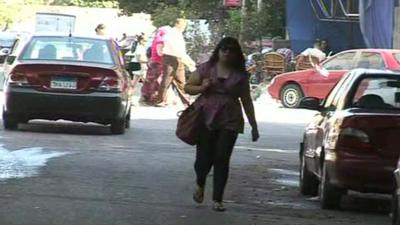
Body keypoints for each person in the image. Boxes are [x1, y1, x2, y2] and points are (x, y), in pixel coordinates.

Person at [184, 37, 260, 212]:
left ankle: (218, 199)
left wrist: (253, 125)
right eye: (224, 48)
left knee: (222, 158)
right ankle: (200, 183)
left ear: (236, 54)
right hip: (206, 117)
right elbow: (188, 87)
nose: (227, 52)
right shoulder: (206, 69)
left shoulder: (240, 76)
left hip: (230, 119)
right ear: (218, 51)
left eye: (231, 49)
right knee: (203, 158)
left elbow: (247, 100)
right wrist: (202, 88)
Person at [156, 18, 196, 107]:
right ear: (178, 24)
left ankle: (186, 101)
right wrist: (189, 62)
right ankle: (160, 100)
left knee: (181, 80)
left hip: (177, 58)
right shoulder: (172, 34)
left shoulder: (176, 34)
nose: (184, 28)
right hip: (171, 57)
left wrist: (188, 61)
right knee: (167, 80)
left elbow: (180, 50)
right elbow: (178, 50)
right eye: (183, 26)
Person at [141, 26, 170, 106]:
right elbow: (160, 53)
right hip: (158, 63)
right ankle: (154, 99)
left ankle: (148, 98)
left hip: (154, 62)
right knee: (157, 81)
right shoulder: (160, 41)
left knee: (151, 81)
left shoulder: (156, 39)